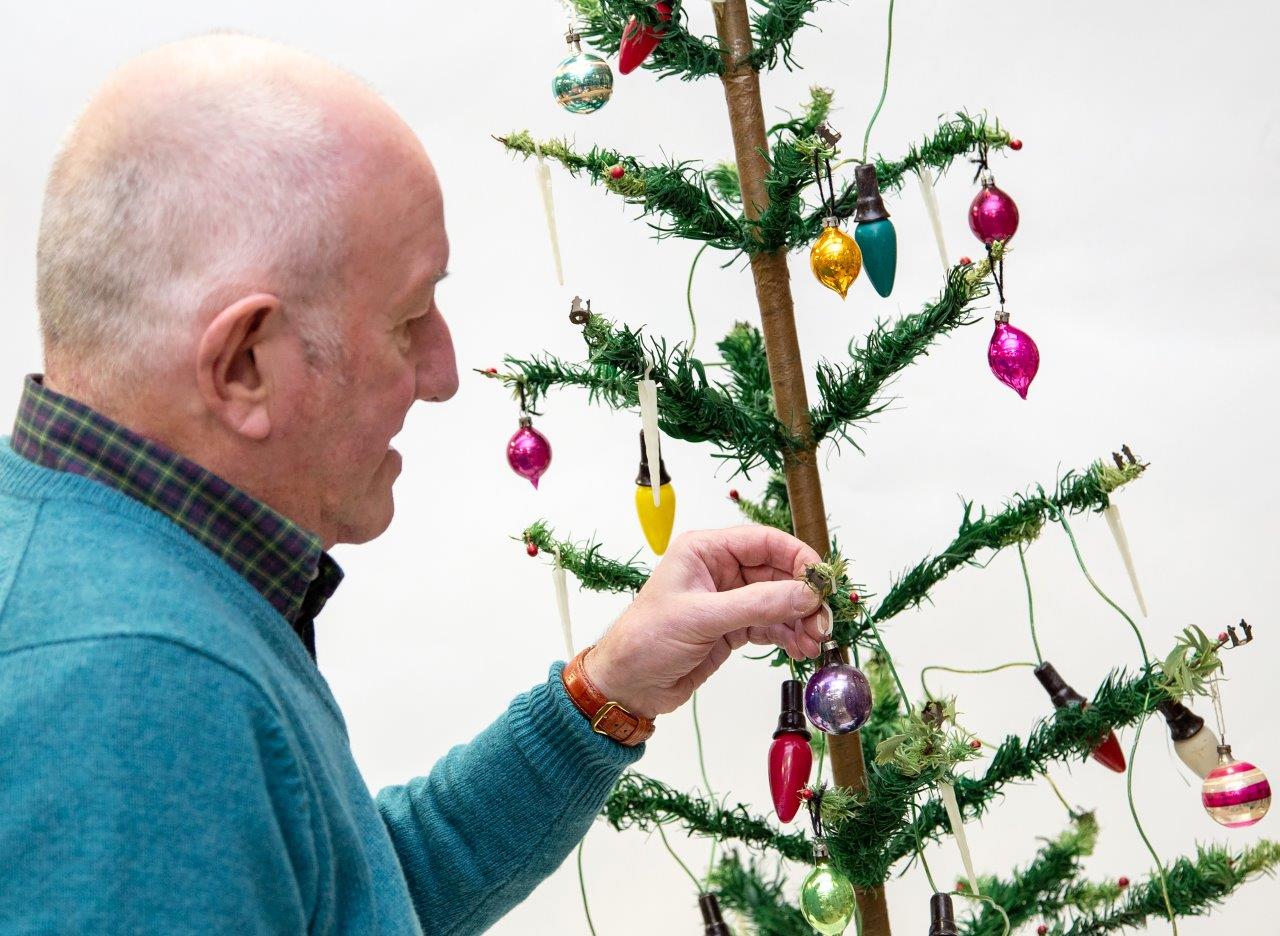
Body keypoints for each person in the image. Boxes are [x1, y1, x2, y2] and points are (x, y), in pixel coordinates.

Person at [0, 34, 828, 934]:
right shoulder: (141, 694)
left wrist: (607, 692)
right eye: (408, 319)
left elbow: (347, 892)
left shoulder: (108, 577)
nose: (443, 371)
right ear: (243, 365)